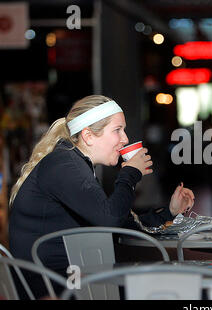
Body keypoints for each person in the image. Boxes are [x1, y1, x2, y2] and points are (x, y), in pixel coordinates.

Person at [8, 95, 195, 298]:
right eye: (117, 130)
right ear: (88, 136)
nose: (125, 139)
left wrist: (170, 211)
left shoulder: (72, 163)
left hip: (68, 278)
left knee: (172, 282)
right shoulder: (65, 165)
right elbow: (110, 219)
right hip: (53, 287)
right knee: (177, 287)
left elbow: (118, 222)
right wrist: (129, 174)